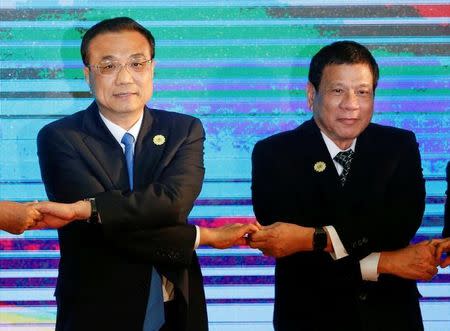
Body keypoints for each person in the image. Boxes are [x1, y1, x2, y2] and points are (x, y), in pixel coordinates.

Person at [35, 17, 257, 331]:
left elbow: (173, 203)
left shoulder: (184, 130)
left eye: (137, 64)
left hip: (176, 308)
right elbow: (100, 231)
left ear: (152, 68)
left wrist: (96, 209)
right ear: (87, 75)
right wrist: (202, 236)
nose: (125, 78)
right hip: (96, 310)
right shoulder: (60, 137)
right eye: (109, 66)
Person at [249, 40, 437, 331]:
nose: (351, 104)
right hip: (310, 316)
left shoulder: (398, 146)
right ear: (311, 95)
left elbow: (398, 226)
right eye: (338, 91)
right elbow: (288, 248)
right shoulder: (274, 154)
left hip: (390, 316)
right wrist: (384, 263)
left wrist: (313, 237)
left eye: (363, 92)